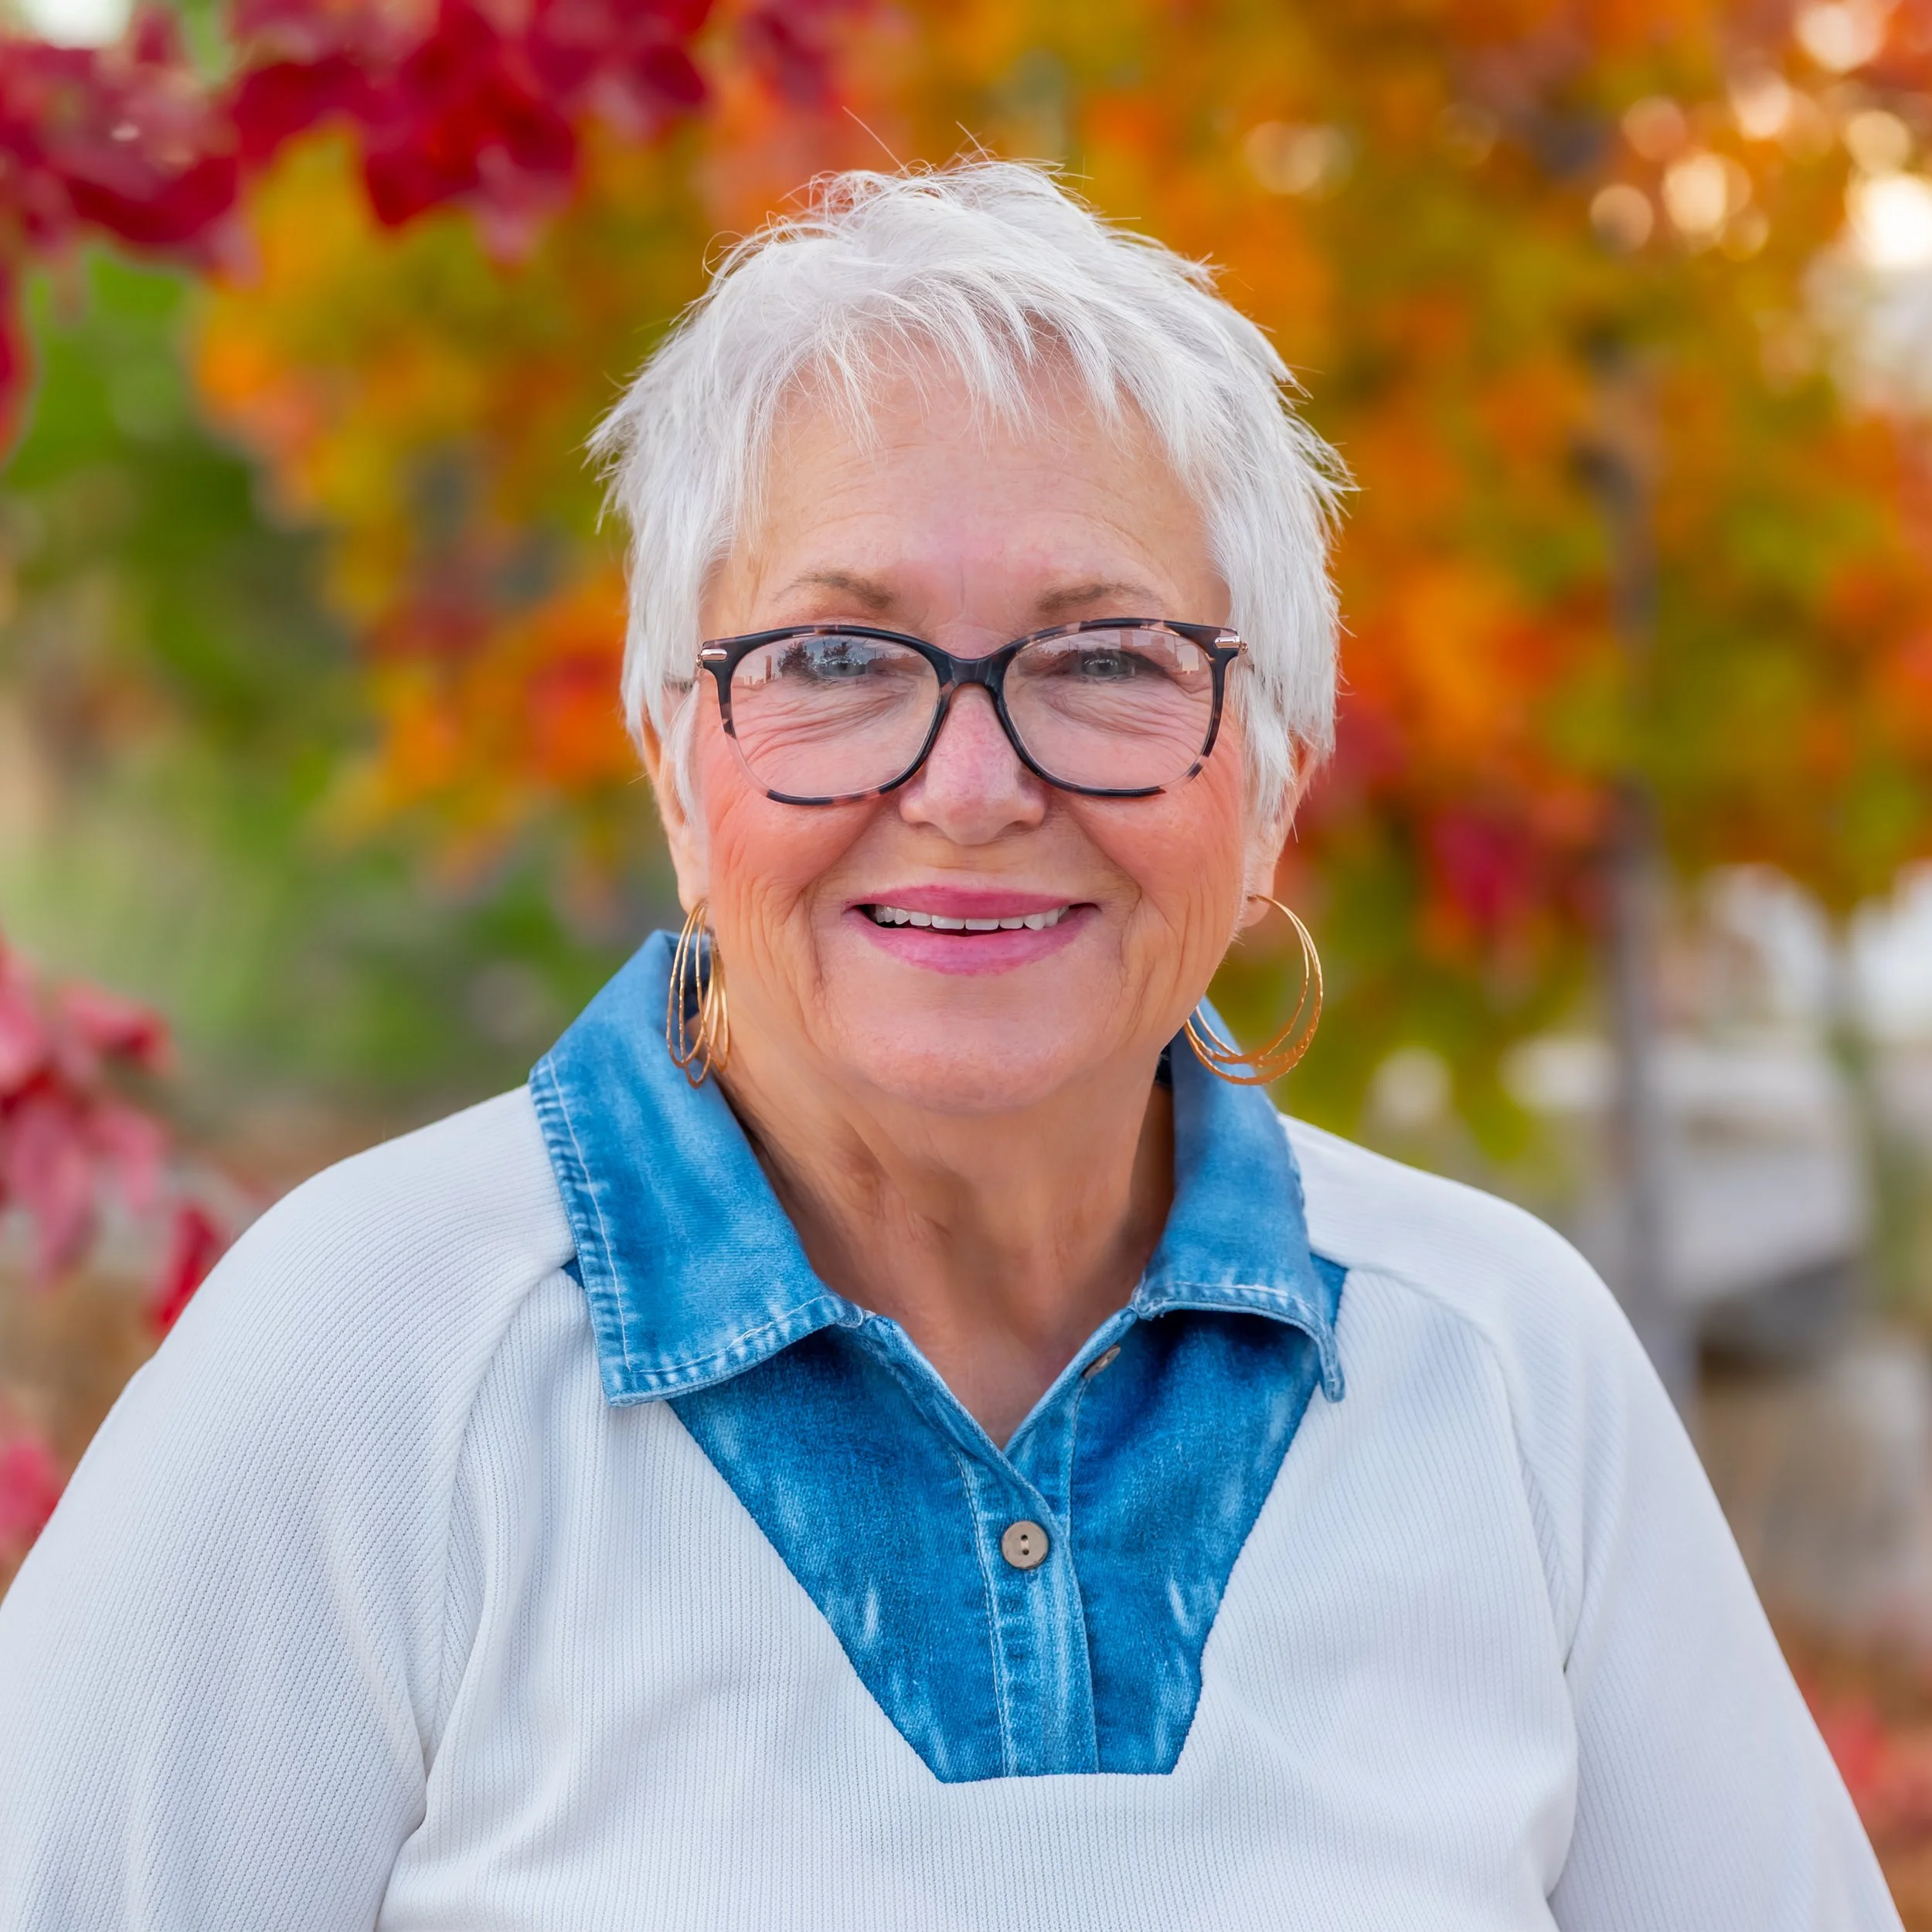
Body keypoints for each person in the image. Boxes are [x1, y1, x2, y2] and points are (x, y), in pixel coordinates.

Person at [0, 160, 1899, 1931]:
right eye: (835, 658)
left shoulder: (1497, 1367)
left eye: (1105, 656)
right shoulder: (369, 1358)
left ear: (1270, 783)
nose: (970, 784)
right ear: (676, 762)